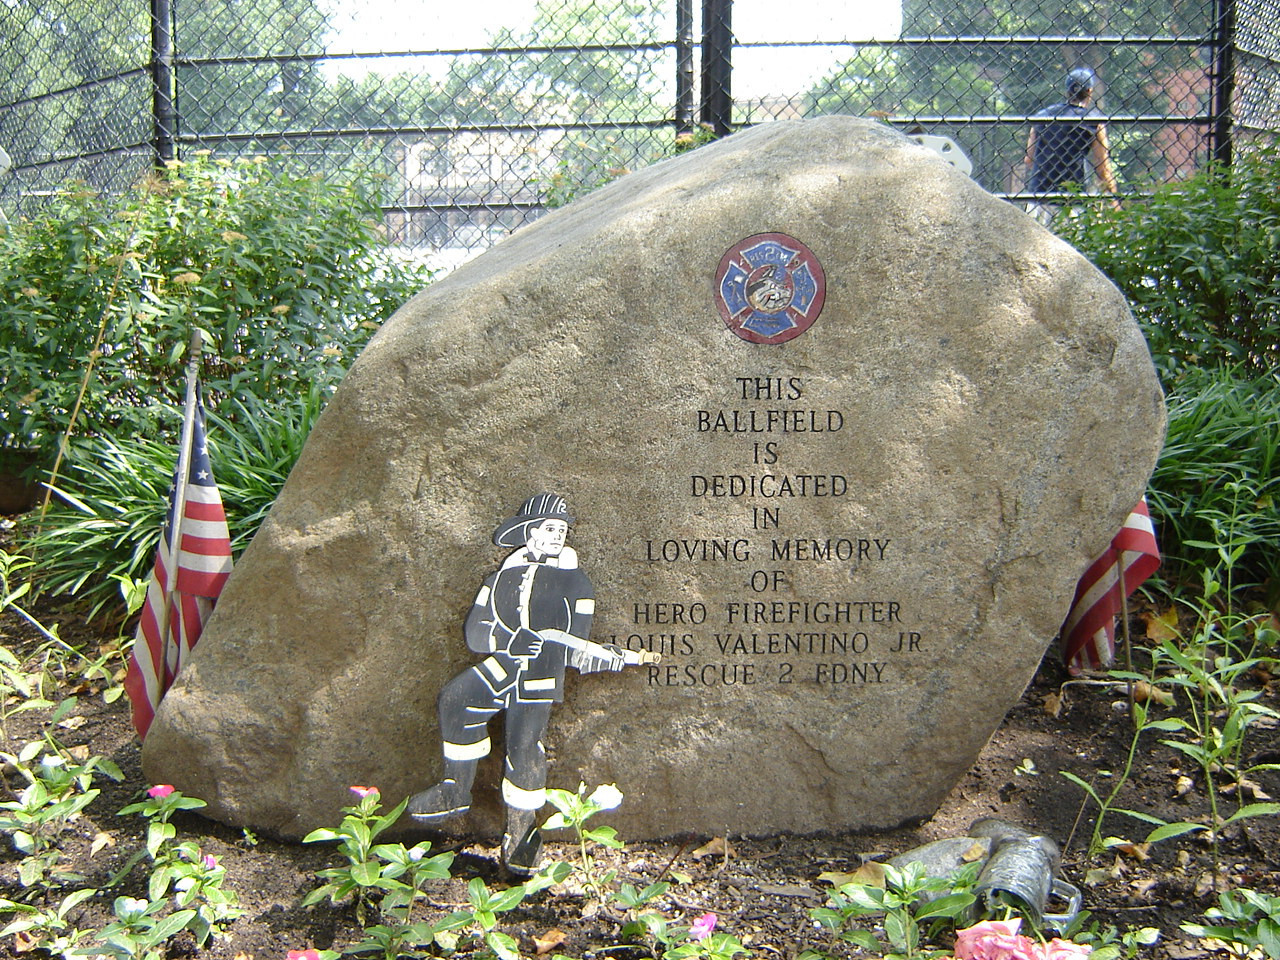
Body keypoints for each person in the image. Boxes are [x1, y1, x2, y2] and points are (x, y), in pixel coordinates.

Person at [408, 493, 651, 874]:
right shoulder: (498, 577)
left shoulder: (576, 582)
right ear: (529, 532)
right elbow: (475, 631)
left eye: (562, 529)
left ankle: (521, 835)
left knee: (524, 748)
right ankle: (455, 788)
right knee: (456, 698)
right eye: (550, 528)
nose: (558, 535)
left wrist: (596, 654)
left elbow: (577, 639)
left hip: (539, 675)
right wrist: (507, 642)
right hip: (502, 663)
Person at [1023, 67, 1119, 222]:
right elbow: (1103, 169)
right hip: (1071, 199)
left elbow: (1029, 159)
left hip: (1039, 195)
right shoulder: (1093, 122)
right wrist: (1115, 204)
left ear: (1067, 91)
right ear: (1089, 91)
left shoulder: (1043, 116)